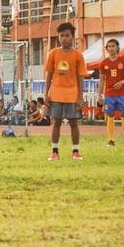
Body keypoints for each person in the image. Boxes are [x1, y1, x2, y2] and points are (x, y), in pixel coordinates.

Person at [44, 21, 87, 161]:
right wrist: (46, 94)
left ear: (72, 37)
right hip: (56, 93)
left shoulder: (78, 55)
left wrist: (80, 97)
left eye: (67, 35)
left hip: (72, 93)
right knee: (56, 122)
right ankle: (54, 151)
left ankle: (75, 151)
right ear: (58, 37)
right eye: (62, 36)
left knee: (73, 122)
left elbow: (81, 77)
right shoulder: (53, 54)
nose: (64, 38)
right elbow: (49, 75)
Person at [98, 38, 124, 147]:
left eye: (113, 46)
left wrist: (122, 82)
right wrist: (99, 95)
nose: (111, 48)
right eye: (109, 46)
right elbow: (102, 79)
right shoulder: (104, 63)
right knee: (110, 115)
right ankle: (111, 140)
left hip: (122, 94)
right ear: (106, 49)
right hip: (109, 94)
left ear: (118, 48)